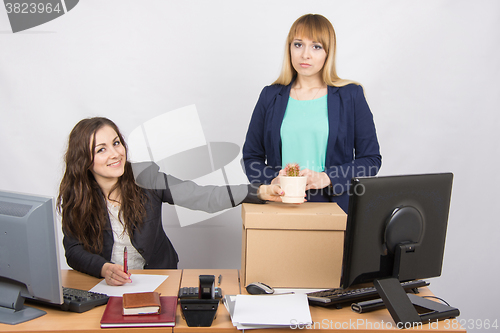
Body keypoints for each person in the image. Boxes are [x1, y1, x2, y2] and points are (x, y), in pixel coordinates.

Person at [57, 117, 283, 285]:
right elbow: (73, 250)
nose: (115, 153)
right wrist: (103, 268)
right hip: (107, 285)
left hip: (159, 278)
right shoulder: (76, 195)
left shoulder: (145, 177)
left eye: (116, 143)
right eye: (101, 149)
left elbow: (200, 196)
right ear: (85, 160)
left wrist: (259, 191)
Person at [242, 14, 381, 212]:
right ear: (289, 48)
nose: (305, 54)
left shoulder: (351, 95)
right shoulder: (270, 96)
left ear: (328, 53)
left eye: (316, 46)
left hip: (334, 209)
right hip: (278, 206)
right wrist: (271, 180)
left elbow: (371, 160)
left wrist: (328, 177)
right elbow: (251, 156)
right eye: (298, 44)